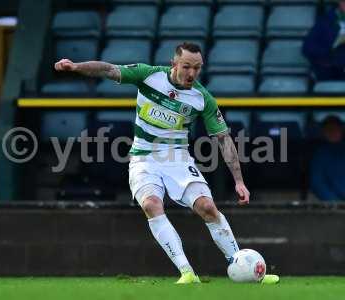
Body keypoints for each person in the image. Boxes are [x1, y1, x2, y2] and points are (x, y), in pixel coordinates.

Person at [54, 42, 278, 284]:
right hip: (143, 157)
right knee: (151, 204)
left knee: (207, 207)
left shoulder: (202, 98)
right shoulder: (149, 75)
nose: (191, 73)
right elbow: (108, 69)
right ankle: (187, 272)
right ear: (174, 64)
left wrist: (239, 181)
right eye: (186, 67)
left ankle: (240, 264)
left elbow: (223, 139)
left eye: (197, 68)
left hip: (177, 158)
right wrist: (76, 66)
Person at [302, 0, 345, 80]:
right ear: (340, 3)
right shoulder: (325, 21)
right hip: (332, 72)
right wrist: (334, 45)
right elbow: (307, 48)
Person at [310, 115, 345, 201]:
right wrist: (336, 203)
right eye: (328, 129)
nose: (332, 132)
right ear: (323, 132)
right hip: (334, 208)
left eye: (335, 129)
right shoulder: (320, 155)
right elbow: (318, 183)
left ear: (342, 130)